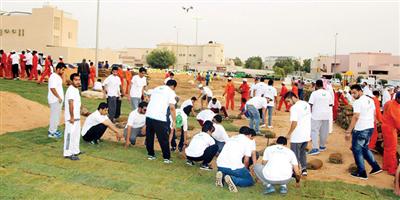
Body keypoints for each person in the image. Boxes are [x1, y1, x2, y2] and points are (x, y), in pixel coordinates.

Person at [345, 84, 382, 179]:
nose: (353, 95)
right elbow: (374, 114)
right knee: (364, 148)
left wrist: (349, 131)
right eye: (351, 93)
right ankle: (376, 167)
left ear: (360, 91)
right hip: (369, 128)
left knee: (357, 150)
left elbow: (356, 116)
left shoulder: (358, 102)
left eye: (354, 92)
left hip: (361, 129)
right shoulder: (370, 100)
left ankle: (362, 172)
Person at [215, 126, 256, 193]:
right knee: (249, 181)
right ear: (249, 135)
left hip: (220, 165)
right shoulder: (248, 141)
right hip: (233, 166)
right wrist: (245, 170)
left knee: (230, 171)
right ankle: (233, 180)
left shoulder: (231, 138)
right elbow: (246, 160)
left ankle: (222, 175)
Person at [145, 80, 177, 163]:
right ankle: (166, 158)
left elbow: (150, 100)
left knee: (150, 136)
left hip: (149, 115)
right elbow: (172, 108)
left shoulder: (156, 88)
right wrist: (174, 121)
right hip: (159, 117)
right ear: (173, 86)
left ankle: (150, 155)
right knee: (163, 138)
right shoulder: (171, 92)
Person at [285, 91, 311, 176]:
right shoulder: (306, 104)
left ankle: (295, 173)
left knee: (294, 155)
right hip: (306, 134)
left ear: (292, 97)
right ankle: (304, 169)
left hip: (297, 136)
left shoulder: (294, 108)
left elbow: (294, 123)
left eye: (288, 101)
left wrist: (288, 134)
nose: (288, 104)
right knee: (302, 153)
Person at [308, 80, 333, 155]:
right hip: (326, 115)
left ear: (316, 85)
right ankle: (322, 146)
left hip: (316, 115)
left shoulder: (314, 93)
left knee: (314, 131)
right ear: (322, 85)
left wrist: (309, 113)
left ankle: (315, 148)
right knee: (324, 131)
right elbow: (331, 104)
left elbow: (310, 104)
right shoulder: (328, 93)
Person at [63, 73, 82, 161]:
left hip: (77, 117)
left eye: (79, 80)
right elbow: (71, 104)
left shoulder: (76, 90)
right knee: (69, 135)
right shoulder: (70, 90)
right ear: (72, 81)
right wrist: (72, 117)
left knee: (76, 135)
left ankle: (75, 150)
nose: (78, 81)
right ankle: (68, 153)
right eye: (76, 80)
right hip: (71, 118)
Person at [381, 92, 400, 176]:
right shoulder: (395, 107)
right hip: (391, 129)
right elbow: (398, 122)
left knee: (387, 148)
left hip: (385, 126)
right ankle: (392, 169)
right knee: (392, 149)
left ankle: (385, 166)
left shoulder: (389, 103)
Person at [47, 62, 66, 139]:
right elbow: (52, 88)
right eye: (62, 70)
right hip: (55, 100)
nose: (63, 71)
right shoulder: (53, 77)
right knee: (54, 116)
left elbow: (63, 83)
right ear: (58, 69)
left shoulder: (57, 76)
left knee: (57, 116)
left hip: (58, 100)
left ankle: (54, 130)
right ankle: (51, 132)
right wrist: (58, 97)